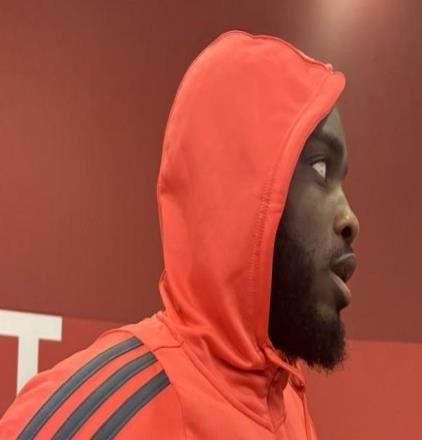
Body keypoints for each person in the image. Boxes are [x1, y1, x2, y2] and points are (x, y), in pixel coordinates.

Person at [0, 29, 359, 439]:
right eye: (319, 168)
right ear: (238, 183)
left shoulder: (289, 407)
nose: (350, 218)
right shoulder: (107, 412)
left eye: (342, 179)